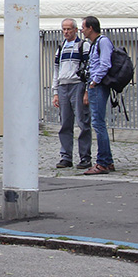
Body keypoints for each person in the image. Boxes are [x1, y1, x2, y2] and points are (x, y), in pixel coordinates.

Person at [51, 19, 91, 169]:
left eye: (69, 29)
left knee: (82, 122)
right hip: (63, 86)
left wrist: (86, 90)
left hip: (77, 85)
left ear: (75, 30)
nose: (66, 32)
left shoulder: (83, 46)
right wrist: (55, 92)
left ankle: (85, 157)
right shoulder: (60, 48)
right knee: (65, 123)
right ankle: (66, 156)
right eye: (64, 29)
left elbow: (88, 68)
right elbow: (56, 70)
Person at [81, 16, 115, 175]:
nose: (82, 30)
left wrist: (94, 81)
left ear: (91, 28)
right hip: (94, 86)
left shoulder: (103, 42)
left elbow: (105, 63)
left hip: (99, 86)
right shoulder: (94, 44)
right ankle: (107, 161)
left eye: (83, 27)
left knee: (98, 124)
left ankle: (102, 162)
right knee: (98, 123)